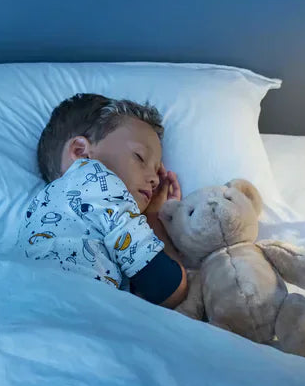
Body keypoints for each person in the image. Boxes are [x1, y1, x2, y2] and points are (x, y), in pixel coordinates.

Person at [17, 93, 188, 307]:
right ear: (81, 152)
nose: (155, 179)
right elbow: (168, 288)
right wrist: (154, 218)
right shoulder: (96, 179)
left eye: (156, 170)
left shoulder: (37, 209)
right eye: (140, 157)